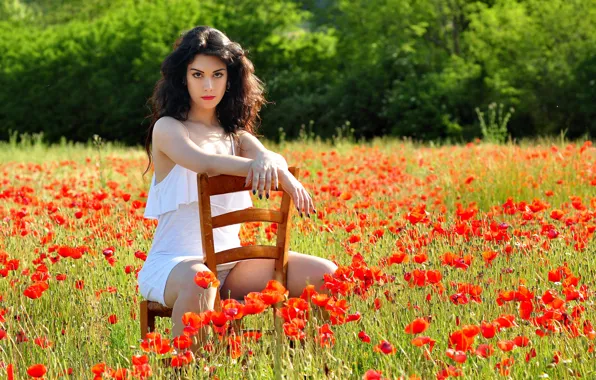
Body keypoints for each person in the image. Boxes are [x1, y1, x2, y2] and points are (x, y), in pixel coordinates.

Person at [138, 26, 338, 352]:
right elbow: (203, 162)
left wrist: (276, 166)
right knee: (201, 283)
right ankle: (186, 373)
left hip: (231, 266)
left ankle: (299, 363)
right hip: (175, 264)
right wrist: (273, 172)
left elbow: (271, 157)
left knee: (326, 275)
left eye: (218, 75)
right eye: (198, 74)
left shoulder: (236, 136)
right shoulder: (168, 129)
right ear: (182, 78)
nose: (208, 85)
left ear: (230, 79)